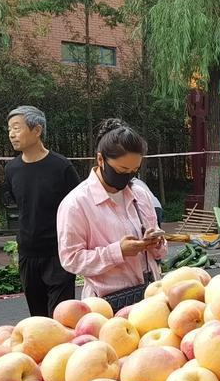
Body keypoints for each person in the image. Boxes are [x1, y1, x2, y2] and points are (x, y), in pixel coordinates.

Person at [57, 119, 167, 309]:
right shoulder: (76, 203)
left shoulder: (139, 194)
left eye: (134, 171)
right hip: (107, 304)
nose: (128, 177)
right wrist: (118, 251)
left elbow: (160, 250)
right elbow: (71, 260)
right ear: (101, 160)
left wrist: (155, 242)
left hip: (150, 297)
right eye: (122, 170)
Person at [4, 105, 82, 318]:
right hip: (28, 254)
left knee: (61, 318)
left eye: (17, 128)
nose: (12, 134)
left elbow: (79, 207)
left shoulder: (61, 167)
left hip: (58, 253)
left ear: (36, 130)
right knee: (38, 320)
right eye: (9, 129)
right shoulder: (11, 169)